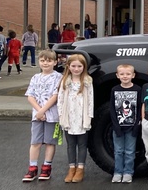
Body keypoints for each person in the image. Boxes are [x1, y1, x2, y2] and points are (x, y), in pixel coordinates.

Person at [22, 49, 62, 182]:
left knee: (50, 142)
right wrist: (39, 111)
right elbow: (30, 96)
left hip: (52, 115)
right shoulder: (35, 77)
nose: (46, 63)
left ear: (55, 62)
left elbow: (55, 96)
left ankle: (47, 166)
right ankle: (32, 167)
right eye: (43, 61)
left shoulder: (58, 77)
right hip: (37, 116)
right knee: (35, 142)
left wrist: (43, 110)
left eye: (49, 61)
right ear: (39, 62)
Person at [57, 53, 94, 183]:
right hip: (69, 116)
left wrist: (89, 117)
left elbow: (90, 101)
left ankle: (80, 168)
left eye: (79, 66)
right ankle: (71, 168)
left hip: (82, 117)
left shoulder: (87, 81)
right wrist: (61, 115)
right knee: (71, 144)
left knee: (82, 144)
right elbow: (60, 99)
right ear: (68, 66)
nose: (76, 69)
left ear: (84, 67)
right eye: (73, 66)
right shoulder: (65, 81)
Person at [110, 64, 141, 183]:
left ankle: (128, 172)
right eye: (122, 74)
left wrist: (137, 125)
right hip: (118, 127)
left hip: (132, 126)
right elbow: (112, 108)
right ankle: (118, 172)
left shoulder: (138, 89)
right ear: (117, 75)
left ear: (133, 75)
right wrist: (115, 125)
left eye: (128, 74)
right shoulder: (115, 90)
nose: (125, 76)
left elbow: (139, 109)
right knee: (118, 151)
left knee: (130, 151)